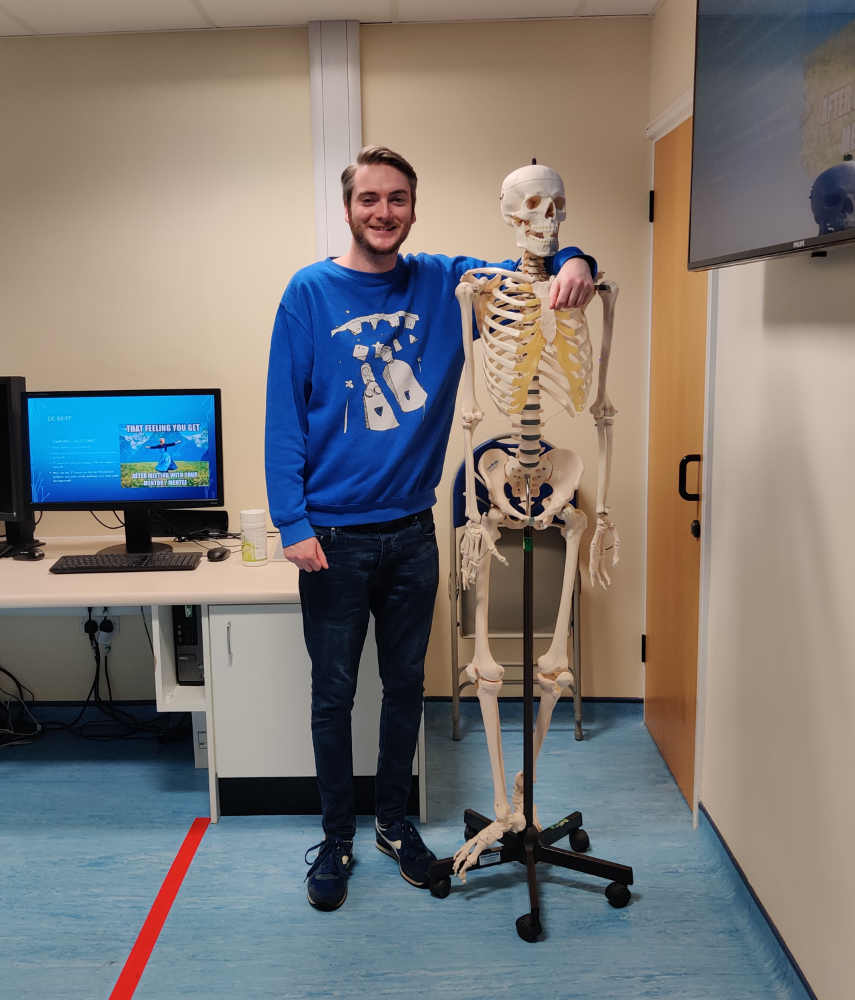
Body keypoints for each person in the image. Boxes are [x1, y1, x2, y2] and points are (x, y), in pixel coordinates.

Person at [264, 146, 596, 912]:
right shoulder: (309, 292)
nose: (384, 212)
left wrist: (576, 254)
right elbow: (286, 413)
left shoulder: (448, 280)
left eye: (399, 199)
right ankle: (338, 837)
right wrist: (293, 520)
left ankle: (392, 825)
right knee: (334, 694)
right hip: (334, 538)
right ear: (349, 207)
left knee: (406, 688)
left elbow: (534, 265)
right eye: (370, 198)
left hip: (413, 532)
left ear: (414, 208)